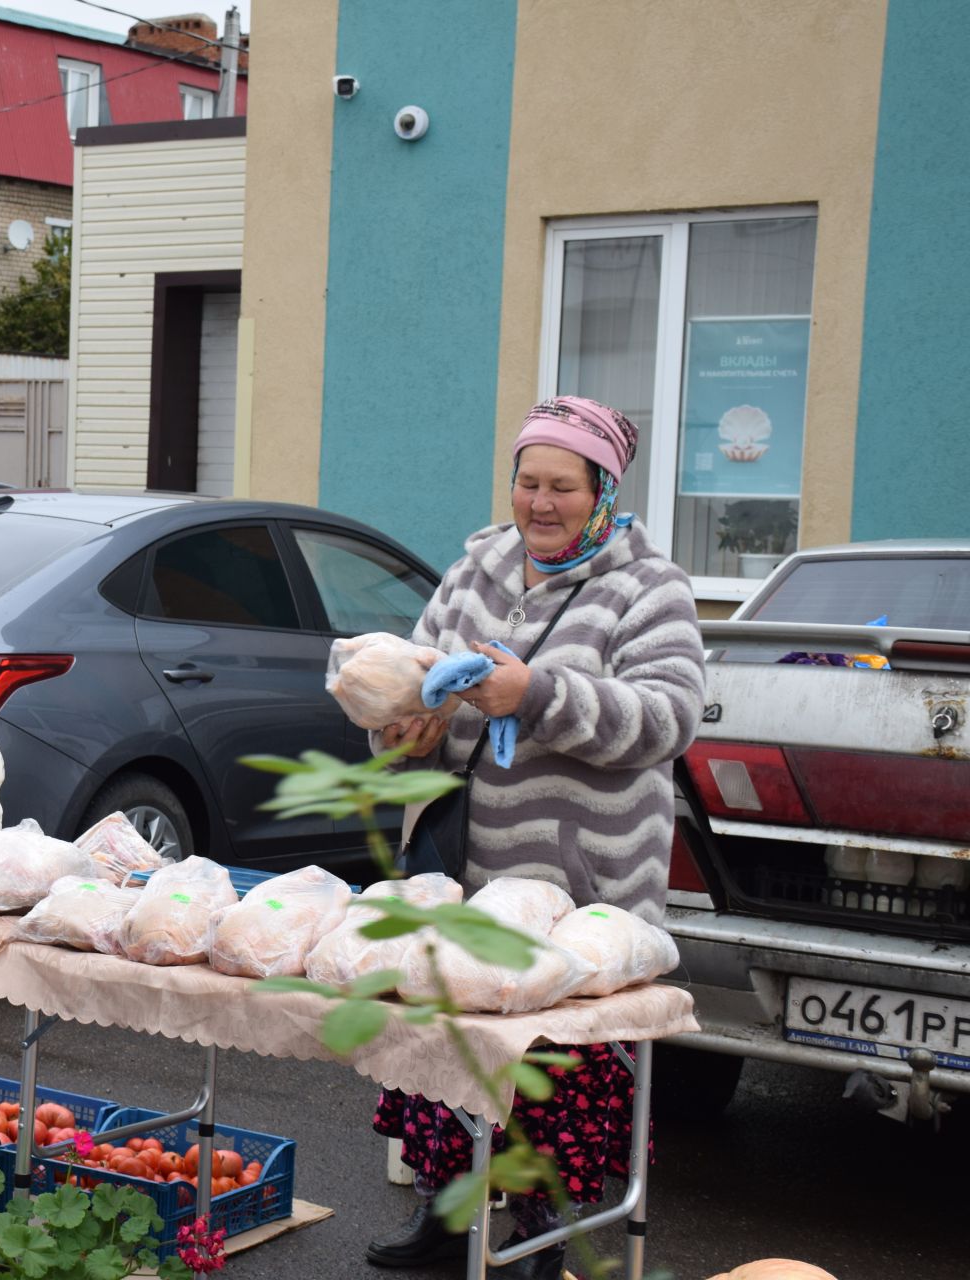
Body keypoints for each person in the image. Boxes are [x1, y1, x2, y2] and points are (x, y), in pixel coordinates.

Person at [363, 396, 706, 1278]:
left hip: (582, 887)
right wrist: (404, 725)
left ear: (603, 492)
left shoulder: (647, 586)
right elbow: (417, 674)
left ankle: (540, 1240)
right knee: (447, 1054)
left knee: (561, 1077)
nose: (540, 503)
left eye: (562, 486)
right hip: (467, 867)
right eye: (527, 482)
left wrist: (539, 696)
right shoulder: (475, 569)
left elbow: (668, 718)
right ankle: (447, 1222)